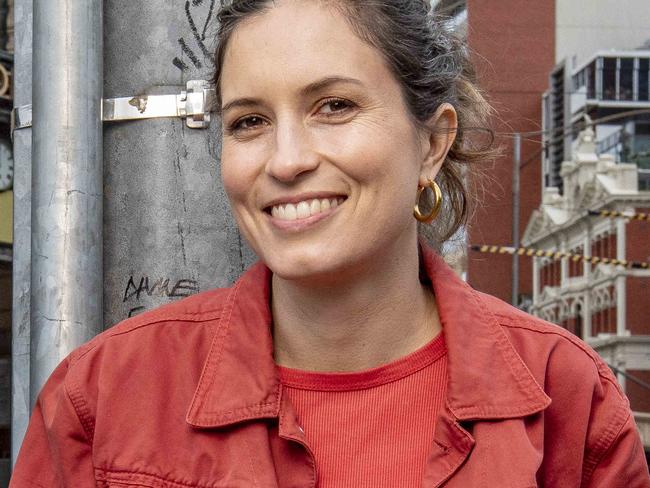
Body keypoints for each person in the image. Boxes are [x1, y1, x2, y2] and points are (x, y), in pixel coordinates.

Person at [10, 1, 650, 487]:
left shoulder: (568, 400)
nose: (286, 161)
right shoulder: (103, 396)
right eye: (250, 121)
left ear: (431, 142)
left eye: (335, 106)